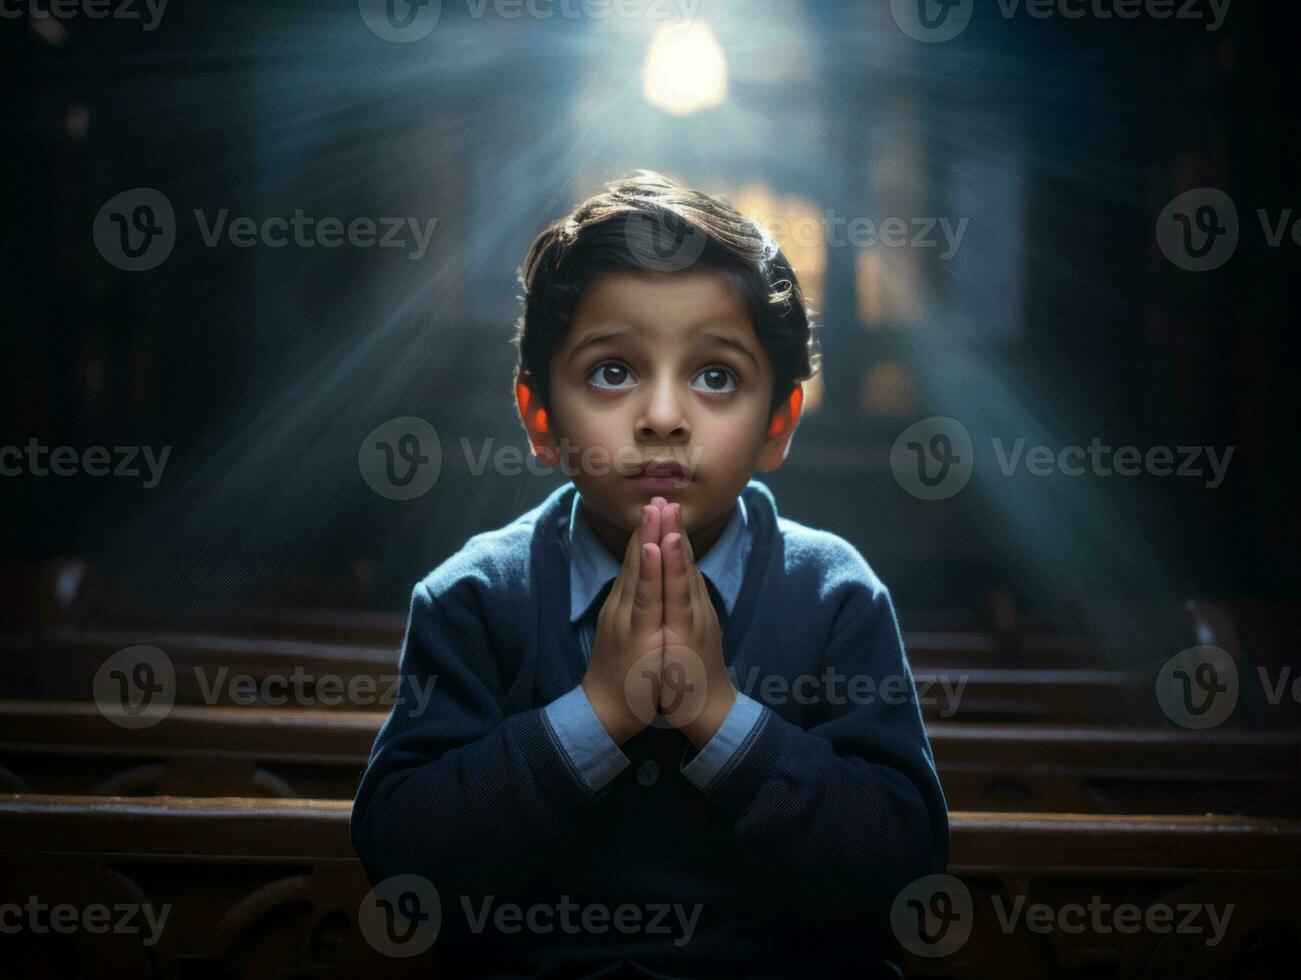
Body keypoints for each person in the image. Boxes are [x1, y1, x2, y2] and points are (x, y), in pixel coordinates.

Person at [351, 170, 949, 979]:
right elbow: (404, 865)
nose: (663, 416)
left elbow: (903, 872)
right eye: (611, 371)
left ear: (777, 424)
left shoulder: (832, 595)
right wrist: (597, 711)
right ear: (539, 420)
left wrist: (717, 714)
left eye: (715, 377)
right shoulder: (473, 598)